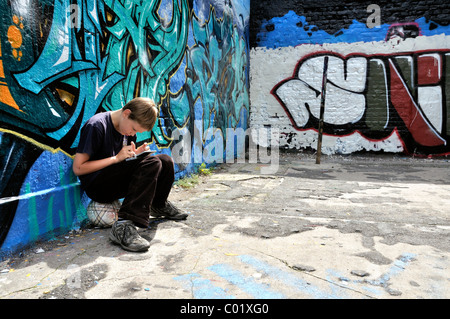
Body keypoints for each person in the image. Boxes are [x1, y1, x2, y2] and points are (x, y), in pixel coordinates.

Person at [73, 97, 188, 252]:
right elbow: (78, 168)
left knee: (165, 160)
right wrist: (116, 158)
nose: (132, 133)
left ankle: (158, 205)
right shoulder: (97, 125)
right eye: (134, 129)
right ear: (126, 113)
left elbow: (121, 163)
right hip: (97, 185)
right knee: (152, 163)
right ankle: (123, 226)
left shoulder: (126, 129)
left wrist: (135, 155)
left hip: (114, 178)